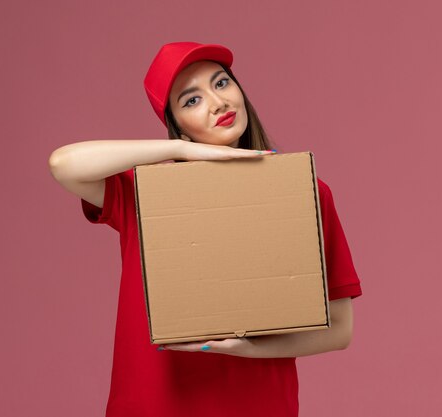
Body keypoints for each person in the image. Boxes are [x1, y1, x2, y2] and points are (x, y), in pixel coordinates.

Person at [48, 41, 363, 417]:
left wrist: (251, 348)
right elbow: (64, 163)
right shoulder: (144, 194)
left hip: (258, 404)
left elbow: (340, 329)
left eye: (221, 83)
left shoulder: (305, 191)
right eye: (191, 101)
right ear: (176, 124)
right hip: (155, 405)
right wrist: (185, 153)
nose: (217, 102)